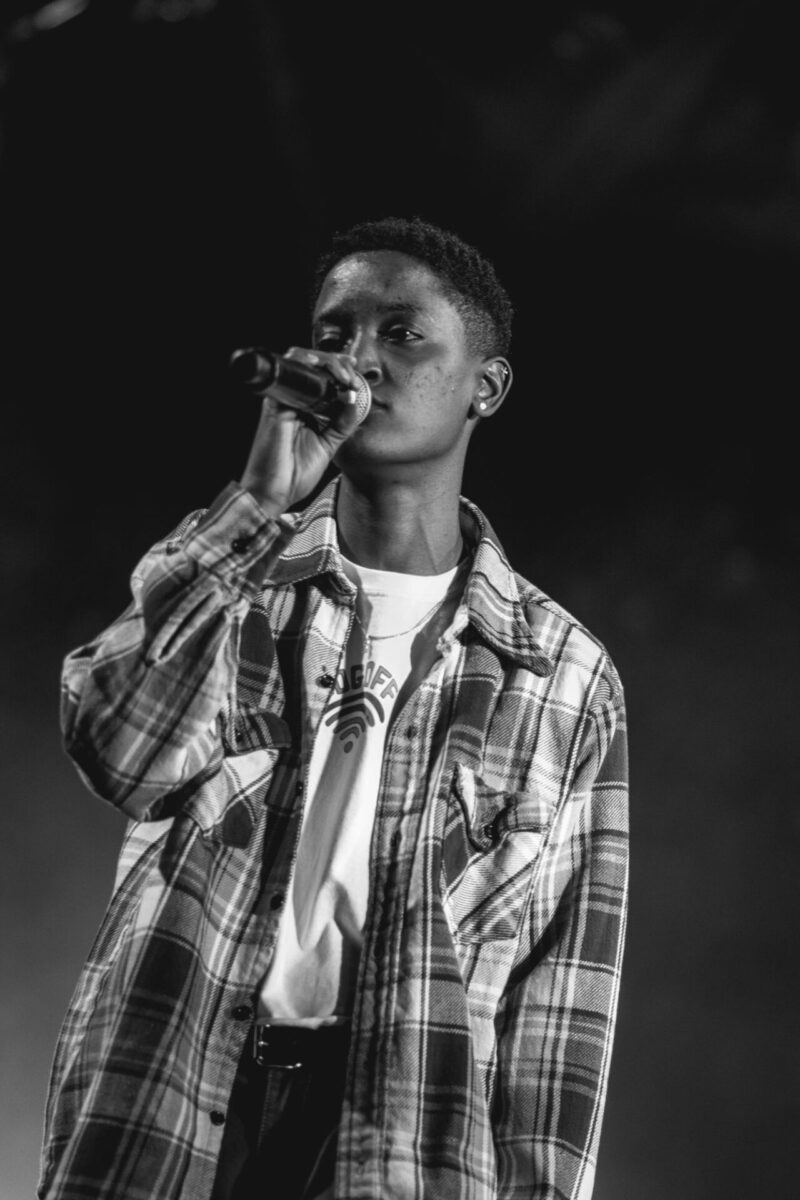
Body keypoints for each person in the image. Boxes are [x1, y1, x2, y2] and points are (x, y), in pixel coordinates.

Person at [39, 216, 629, 1200]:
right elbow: (117, 749)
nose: (357, 358)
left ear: (486, 387)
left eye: (401, 333)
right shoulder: (230, 575)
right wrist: (256, 503)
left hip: (400, 1140)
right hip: (173, 1107)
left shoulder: (562, 674)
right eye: (332, 332)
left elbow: (561, 1011)